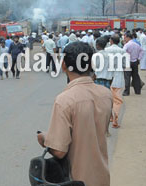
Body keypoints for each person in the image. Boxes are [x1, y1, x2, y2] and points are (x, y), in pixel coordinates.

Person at [37, 41, 113, 186]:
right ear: (90, 64)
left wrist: (44, 138)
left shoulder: (64, 100)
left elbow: (59, 151)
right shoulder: (106, 94)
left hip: (76, 180)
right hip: (102, 177)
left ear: (63, 65)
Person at [106, 34, 126, 128]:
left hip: (108, 77)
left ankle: (110, 116)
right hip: (118, 77)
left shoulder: (106, 50)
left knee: (109, 98)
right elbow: (125, 65)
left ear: (111, 41)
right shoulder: (122, 51)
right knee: (117, 100)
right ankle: (115, 119)